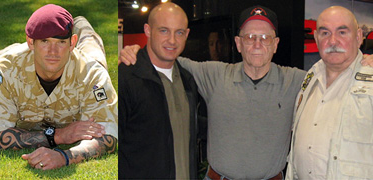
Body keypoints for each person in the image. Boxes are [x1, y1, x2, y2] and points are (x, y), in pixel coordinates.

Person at [120, 5, 305, 179]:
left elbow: (328, 76)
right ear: (238, 43)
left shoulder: (297, 81)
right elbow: (167, 56)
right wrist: (138, 53)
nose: (257, 44)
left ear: (276, 44)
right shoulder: (215, 76)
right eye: (250, 37)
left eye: (265, 38)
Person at [0, 4, 118, 170]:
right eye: (45, 41)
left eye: (61, 42)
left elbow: (108, 137)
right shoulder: (5, 71)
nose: (53, 52)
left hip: (84, 60)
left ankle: (82, 24)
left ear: (71, 43)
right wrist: (59, 136)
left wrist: (65, 157)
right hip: (15, 56)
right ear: (31, 42)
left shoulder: (92, 74)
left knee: (92, 47)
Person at [286, 6, 373, 179]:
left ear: (358, 37)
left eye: (342, 32)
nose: (333, 41)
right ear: (317, 39)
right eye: (325, 33)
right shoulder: (310, 77)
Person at [118, 2, 198, 179]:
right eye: (164, 30)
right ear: (148, 30)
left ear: (187, 34)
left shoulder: (187, 80)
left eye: (179, 32)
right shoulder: (126, 78)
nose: (172, 40)